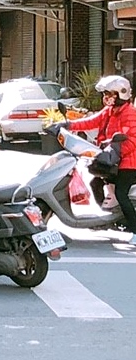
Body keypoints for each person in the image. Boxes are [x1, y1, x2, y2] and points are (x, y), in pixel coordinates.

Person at [47, 75, 136, 242]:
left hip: (129, 163)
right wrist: (67, 125)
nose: (106, 98)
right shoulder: (111, 111)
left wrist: (113, 151)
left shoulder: (129, 114)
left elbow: (132, 140)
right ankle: (108, 219)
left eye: (110, 94)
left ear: (121, 94)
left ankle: (135, 230)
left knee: (121, 193)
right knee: (95, 182)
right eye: (105, 94)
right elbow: (91, 121)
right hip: (114, 160)